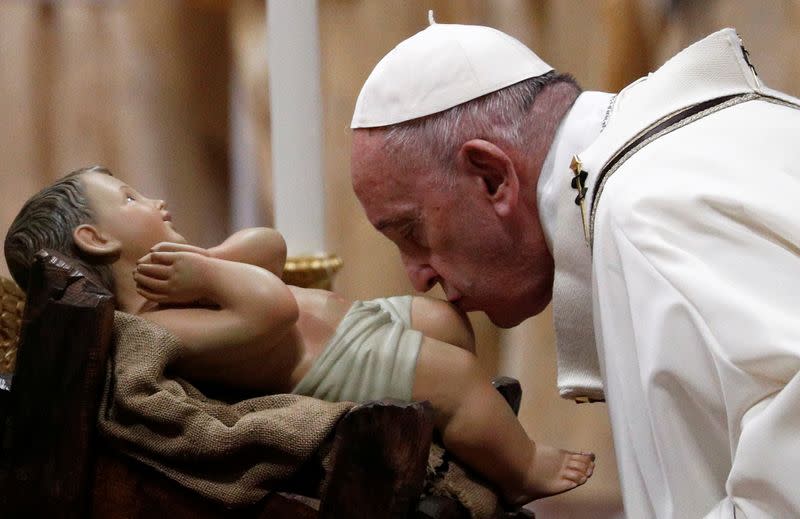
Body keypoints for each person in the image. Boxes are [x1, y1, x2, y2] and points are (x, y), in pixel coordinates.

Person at [349, 18, 800, 519]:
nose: (417, 276)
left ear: (492, 177)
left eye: (411, 232)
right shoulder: (703, 146)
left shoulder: (645, 207)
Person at [4, 165, 594, 506]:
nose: (153, 198)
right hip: (335, 363)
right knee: (458, 377)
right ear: (97, 239)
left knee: (444, 322)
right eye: (129, 199)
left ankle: (469, 430)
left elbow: (271, 248)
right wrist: (211, 274)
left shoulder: (184, 273)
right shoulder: (157, 326)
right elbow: (272, 311)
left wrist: (207, 257)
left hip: (356, 322)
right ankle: (521, 469)